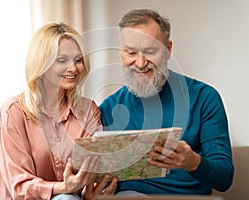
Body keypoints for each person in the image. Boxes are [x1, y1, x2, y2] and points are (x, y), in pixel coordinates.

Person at [98, 8, 234, 195]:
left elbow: (224, 178)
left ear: (168, 50)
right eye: (131, 53)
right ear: (121, 53)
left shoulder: (204, 98)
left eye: (150, 51)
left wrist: (192, 162)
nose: (140, 63)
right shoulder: (108, 108)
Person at [0, 22, 117, 200]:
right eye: (62, 60)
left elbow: (88, 171)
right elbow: (18, 186)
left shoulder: (88, 110)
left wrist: (89, 192)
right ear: (41, 64)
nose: (73, 68)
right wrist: (62, 188)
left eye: (78, 60)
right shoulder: (13, 111)